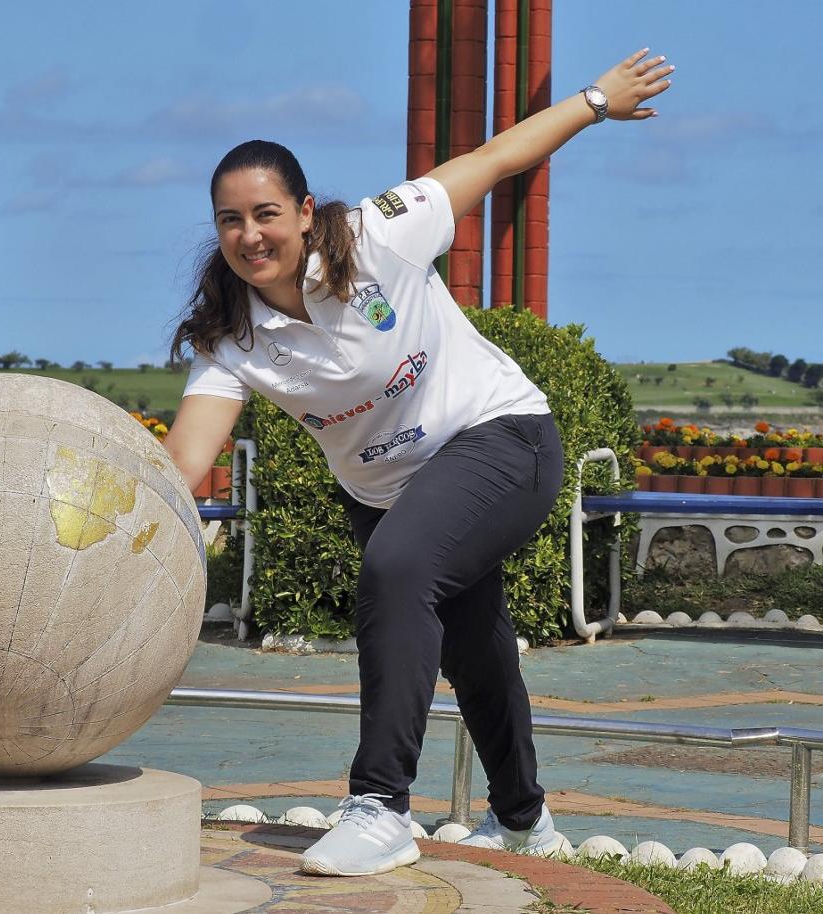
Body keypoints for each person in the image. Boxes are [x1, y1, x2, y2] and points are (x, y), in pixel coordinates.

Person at [164, 49, 672, 877]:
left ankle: (379, 806)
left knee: (398, 569)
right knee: (477, 650)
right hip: (388, 489)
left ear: (301, 210)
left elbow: (492, 159)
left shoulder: (379, 232)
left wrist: (594, 100)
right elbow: (184, 463)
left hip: (501, 439)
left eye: (264, 213)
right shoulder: (231, 338)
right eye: (229, 220)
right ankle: (525, 822)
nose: (249, 235)